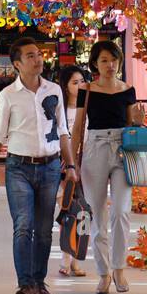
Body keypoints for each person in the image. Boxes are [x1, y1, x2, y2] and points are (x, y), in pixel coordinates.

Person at [0, 36, 78, 294]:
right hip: (18, 169)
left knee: (45, 229)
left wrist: (70, 166)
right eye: (31, 56)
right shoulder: (7, 96)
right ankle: (25, 284)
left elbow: (63, 131)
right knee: (23, 226)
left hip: (49, 167)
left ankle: (39, 281)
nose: (38, 59)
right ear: (17, 64)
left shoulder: (54, 91)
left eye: (39, 54)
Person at [70, 40, 141, 294]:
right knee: (97, 213)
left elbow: (133, 125)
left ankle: (119, 268)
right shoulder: (86, 89)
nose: (110, 65)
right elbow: (78, 127)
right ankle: (104, 272)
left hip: (123, 150)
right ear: (95, 64)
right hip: (95, 148)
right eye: (104, 60)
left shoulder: (127, 90)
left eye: (113, 60)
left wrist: (139, 123)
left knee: (121, 210)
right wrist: (72, 161)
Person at [56, 65, 92, 277]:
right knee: (67, 213)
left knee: (84, 214)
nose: (79, 86)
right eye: (74, 82)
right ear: (65, 86)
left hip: (86, 167)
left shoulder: (88, 110)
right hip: (64, 169)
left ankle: (78, 259)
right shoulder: (60, 110)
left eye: (81, 81)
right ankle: (65, 260)